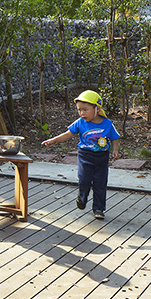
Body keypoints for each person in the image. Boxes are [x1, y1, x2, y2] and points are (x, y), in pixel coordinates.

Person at [41, 90, 120, 220]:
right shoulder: (80, 122)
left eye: (85, 109)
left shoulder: (107, 124)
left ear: (97, 108)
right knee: (84, 180)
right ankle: (82, 197)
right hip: (85, 155)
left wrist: (115, 150)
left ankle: (98, 209)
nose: (82, 113)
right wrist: (53, 140)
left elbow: (114, 137)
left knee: (100, 183)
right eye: (79, 110)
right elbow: (67, 134)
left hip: (102, 157)